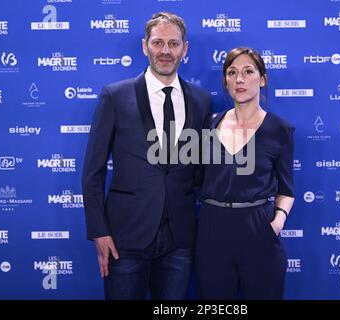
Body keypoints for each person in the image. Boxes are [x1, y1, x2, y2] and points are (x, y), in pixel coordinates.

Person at [82, 12, 212, 300]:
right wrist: (98, 231)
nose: (166, 51)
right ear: (145, 46)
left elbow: (202, 169)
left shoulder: (202, 100)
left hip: (180, 239)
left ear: (185, 49)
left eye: (174, 44)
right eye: (158, 42)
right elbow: (93, 170)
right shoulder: (115, 96)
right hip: (124, 237)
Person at [195, 47, 295, 299]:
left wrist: (277, 222)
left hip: (257, 227)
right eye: (232, 72)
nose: (239, 79)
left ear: (262, 79)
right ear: (225, 81)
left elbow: (287, 189)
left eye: (248, 71)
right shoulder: (208, 125)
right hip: (212, 228)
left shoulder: (280, 129)